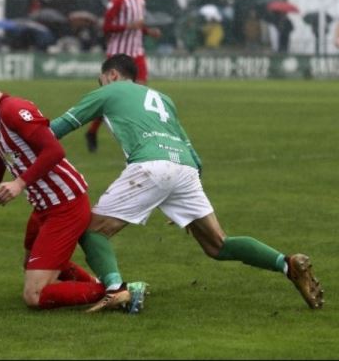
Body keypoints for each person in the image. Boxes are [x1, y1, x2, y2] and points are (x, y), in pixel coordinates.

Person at [50, 53, 324, 312]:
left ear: (110, 75)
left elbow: (61, 126)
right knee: (218, 244)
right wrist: (176, 195)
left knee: (93, 231)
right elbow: (193, 153)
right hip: (185, 168)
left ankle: (115, 290)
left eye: (101, 80)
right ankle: (287, 264)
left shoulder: (108, 90)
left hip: (151, 166)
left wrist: (18, 142)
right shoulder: (163, 98)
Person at [0, 56, 146, 312]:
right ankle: (98, 285)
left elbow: (53, 150)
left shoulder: (13, 110)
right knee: (30, 264)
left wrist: (19, 183)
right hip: (44, 207)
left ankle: (117, 291)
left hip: (65, 205)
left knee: (34, 295)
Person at [85, 0, 161, 153]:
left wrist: (148, 31)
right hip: (119, 54)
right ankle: (92, 131)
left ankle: (138, 133)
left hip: (137, 52)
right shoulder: (118, 0)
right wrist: (129, 26)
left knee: (141, 93)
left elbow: (137, 25)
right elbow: (107, 27)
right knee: (111, 97)